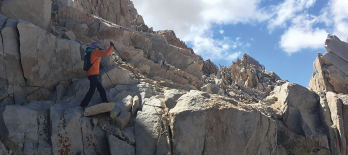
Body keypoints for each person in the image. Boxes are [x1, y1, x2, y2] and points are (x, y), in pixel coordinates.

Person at [80, 41, 114, 108]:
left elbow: (93, 62)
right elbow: (106, 53)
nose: (99, 50)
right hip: (93, 74)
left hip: (89, 74)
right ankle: (83, 105)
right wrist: (111, 46)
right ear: (96, 47)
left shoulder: (89, 53)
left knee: (101, 89)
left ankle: (105, 102)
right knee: (92, 90)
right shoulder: (95, 52)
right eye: (99, 48)